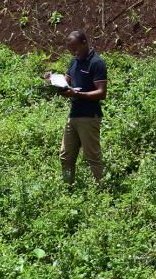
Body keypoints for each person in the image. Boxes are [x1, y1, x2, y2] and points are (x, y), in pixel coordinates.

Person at [45, 30, 108, 184]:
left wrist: (77, 94)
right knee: (66, 156)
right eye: (71, 50)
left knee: (92, 156)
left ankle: (102, 190)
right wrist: (52, 80)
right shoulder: (74, 61)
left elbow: (101, 93)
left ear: (85, 43)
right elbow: (66, 81)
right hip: (73, 115)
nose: (73, 52)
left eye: (75, 48)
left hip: (89, 116)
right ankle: (68, 187)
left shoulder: (96, 63)